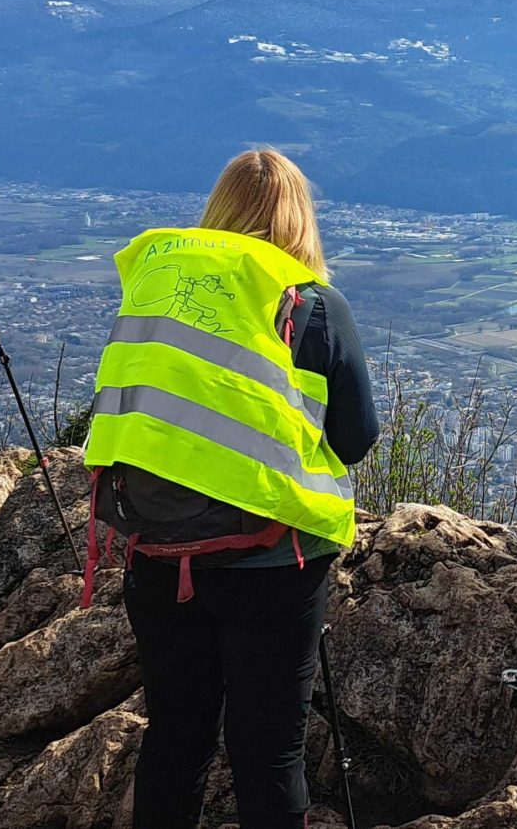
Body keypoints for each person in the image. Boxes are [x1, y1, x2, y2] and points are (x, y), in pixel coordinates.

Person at [90, 148, 379, 829]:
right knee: (269, 752)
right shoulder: (309, 303)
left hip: (159, 553)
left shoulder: (156, 292)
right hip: (274, 562)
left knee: (174, 735)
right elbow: (355, 437)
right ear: (299, 219)